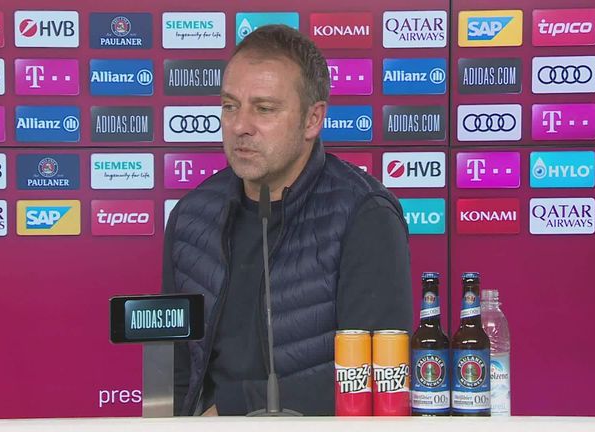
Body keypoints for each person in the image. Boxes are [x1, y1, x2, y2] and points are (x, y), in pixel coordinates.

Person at [162, 24, 412, 416]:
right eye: (230, 106)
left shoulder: (365, 216)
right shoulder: (191, 218)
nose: (240, 126)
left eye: (264, 109)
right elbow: (179, 373)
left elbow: (379, 373)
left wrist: (235, 408)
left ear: (313, 119)